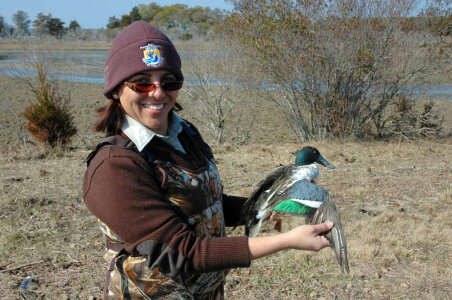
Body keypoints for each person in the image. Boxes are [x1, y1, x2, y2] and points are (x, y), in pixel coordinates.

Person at [83, 20, 333, 300]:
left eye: (169, 81)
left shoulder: (185, 133)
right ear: (116, 89)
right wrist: (285, 241)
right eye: (142, 83)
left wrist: (272, 203)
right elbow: (185, 252)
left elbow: (208, 205)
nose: (157, 92)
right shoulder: (113, 167)